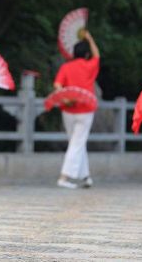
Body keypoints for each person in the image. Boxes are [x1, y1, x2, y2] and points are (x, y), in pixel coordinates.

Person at [53, 30, 100, 190]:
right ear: (86, 54)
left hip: (68, 109)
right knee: (77, 143)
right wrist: (89, 37)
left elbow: (57, 85)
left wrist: (64, 98)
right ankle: (64, 177)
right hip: (85, 109)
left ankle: (86, 177)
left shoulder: (66, 67)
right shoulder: (90, 65)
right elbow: (97, 55)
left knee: (76, 142)